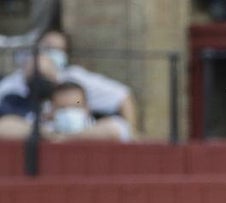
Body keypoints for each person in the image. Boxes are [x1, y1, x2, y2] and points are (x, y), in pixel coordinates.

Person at [0, 29, 137, 129]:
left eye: (57, 49)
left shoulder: (75, 77)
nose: (50, 53)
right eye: (47, 47)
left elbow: (122, 97)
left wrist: (132, 136)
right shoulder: (14, 85)